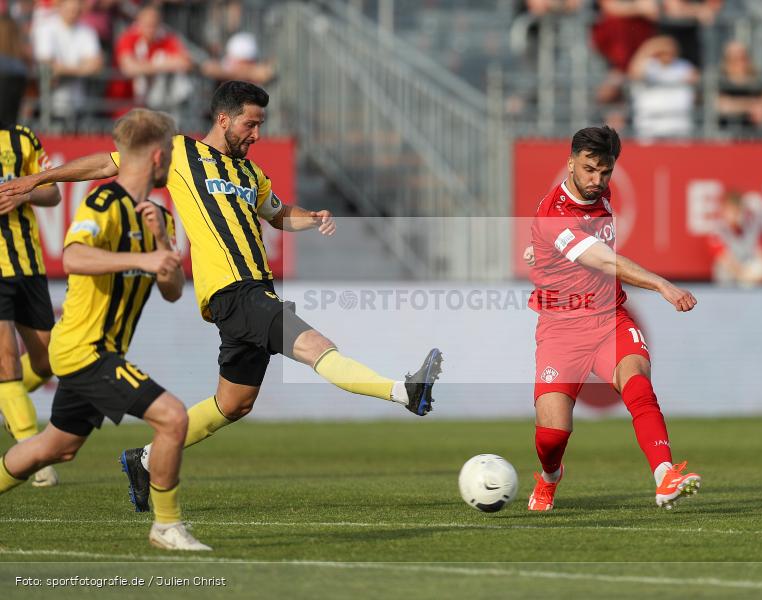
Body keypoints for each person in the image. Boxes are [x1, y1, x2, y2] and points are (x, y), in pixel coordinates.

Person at [0, 81, 443, 513]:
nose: (257, 134)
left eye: (261, 125)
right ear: (224, 119)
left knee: (234, 404)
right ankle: (403, 391)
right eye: (251, 124)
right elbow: (106, 164)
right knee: (316, 346)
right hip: (232, 291)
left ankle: (145, 461)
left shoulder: (251, 174)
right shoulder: (180, 153)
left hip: (256, 290)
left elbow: (277, 214)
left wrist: (310, 217)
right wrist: (37, 178)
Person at [0, 108, 211, 551]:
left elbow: (172, 291)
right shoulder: (103, 203)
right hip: (85, 350)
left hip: (101, 350)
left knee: (56, 447)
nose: (172, 161)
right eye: (170, 153)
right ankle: (166, 526)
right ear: (158, 157)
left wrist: (161, 245)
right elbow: (73, 256)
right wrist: (143, 258)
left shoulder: (158, 216)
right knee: (173, 418)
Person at [522, 126, 701, 511]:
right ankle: (550, 478)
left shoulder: (600, 193)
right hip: (560, 330)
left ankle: (665, 475)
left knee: (638, 385)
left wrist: (538, 248)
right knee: (552, 437)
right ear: (570, 163)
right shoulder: (556, 214)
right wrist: (661, 285)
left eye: (605, 172)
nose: (597, 180)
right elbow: (603, 259)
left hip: (608, 319)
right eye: (589, 170)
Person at [0, 82, 61, 488]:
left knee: (47, 363)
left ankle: (10, 403)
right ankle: (32, 455)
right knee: (6, 359)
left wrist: (24, 195)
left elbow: (53, 193)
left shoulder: (23, 138)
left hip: (29, 264)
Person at [106, 5, 193, 116]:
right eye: (147, 24)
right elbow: (129, 68)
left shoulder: (166, 38)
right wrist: (161, 64)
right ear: (139, 22)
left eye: (154, 24)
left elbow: (186, 62)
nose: (151, 28)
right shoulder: (127, 38)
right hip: (124, 104)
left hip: (155, 106)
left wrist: (147, 66)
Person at [31, 0, 104, 127]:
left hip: (81, 106)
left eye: (76, 9)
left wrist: (63, 70)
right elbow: (48, 67)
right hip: (50, 108)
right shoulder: (45, 28)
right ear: (60, 6)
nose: (73, 13)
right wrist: (83, 68)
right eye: (70, 9)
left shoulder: (87, 31)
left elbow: (97, 65)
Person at [628, 35, 698, 139]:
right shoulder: (648, 65)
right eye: (664, 50)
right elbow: (634, 73)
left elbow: (696, 79)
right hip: (650, 126)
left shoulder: (684, 66)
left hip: (679, 126)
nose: (668, 53)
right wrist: (650, 47)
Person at [707, 190, 762, 287]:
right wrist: (746, 277)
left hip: (750, 273)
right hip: (732, 278)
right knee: (723, 271)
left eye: (738, 211)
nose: (735, 215)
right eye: (731, 211)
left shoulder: (752, 226)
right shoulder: (717, 230)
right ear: (724, 211)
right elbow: (725, 261)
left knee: (761, 266)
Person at [716, 40, 762, 135]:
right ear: (726, 60)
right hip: (726, 135)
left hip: (755, 136)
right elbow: (721, 105)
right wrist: (752, 106)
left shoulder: (756, 79)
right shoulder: (720, 80)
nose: (739, 62)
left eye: (743, 57)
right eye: (734, 58)